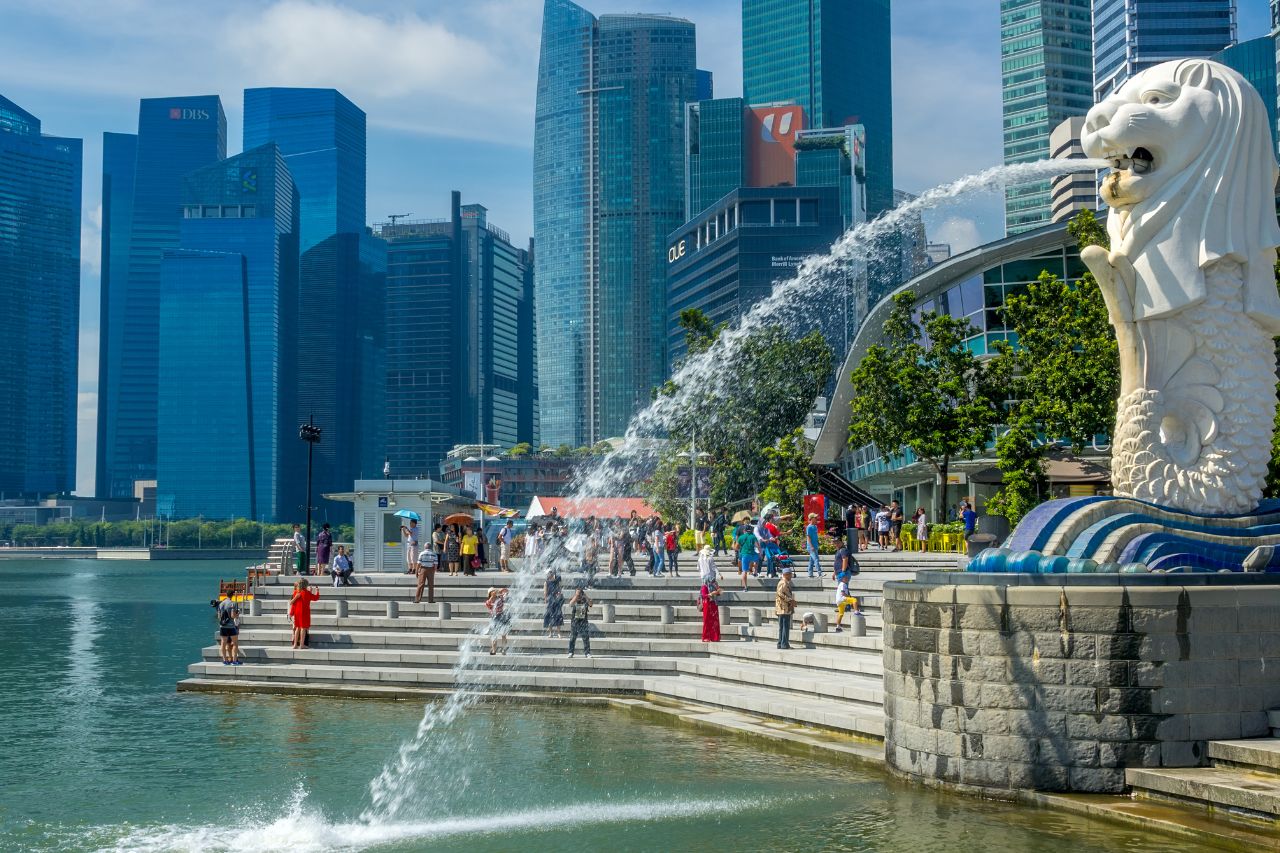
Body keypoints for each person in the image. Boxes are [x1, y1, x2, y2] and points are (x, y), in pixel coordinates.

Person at [288, 578, 320, 649]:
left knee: (297, 628)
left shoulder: (296, 592)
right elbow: (316, 598)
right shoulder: (307, 593)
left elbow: (293, 604)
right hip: (304, 612)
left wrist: (291, 613)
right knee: (303, 628)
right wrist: (317, 591)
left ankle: (295, 644)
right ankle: (302, 645)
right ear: (306, 585)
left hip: (297, 612)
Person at [485, 587, 511, 655]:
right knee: (494, 635)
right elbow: (490, 606)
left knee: (503, 634)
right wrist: (492, 597)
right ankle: (494, 650)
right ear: (490, 593)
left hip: (502, 616)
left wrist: (500, 590)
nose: (494, 592)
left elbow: (507, 591)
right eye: (492, 591)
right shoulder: (488, 602)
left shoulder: (500, 598)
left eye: (494, 591)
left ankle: (504, 649)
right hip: (494, 618)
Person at [774, 567, 796, 650]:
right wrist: (789, 600)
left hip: (782, 607)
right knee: (785, 627)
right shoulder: (784, 582)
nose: (791, 576)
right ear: (786, 575)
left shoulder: (784, 582)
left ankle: (780, 643)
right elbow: (780, 593)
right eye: (790, 574)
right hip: (784, 607)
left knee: (782, 626)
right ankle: (784, 644)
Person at [567, 586, 592, 658]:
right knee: (572, 638)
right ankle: (571, 652)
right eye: (577, 593)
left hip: (583, 621)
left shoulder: (585, 599)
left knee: (585, 638)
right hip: (575, 621)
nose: (578, 595)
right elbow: (570, 604)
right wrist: (576, 596)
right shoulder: (574, 599)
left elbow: (591, 604)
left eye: (579, 593)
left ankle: (587, 653)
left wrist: (585, 596)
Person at [216, 596, 241, 665]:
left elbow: (219, 617)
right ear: (232, 595)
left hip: (223, 627)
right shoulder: (233, 603)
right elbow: (233, 616)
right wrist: (238, 613)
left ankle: (225, 660)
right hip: (231, 626)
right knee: (235, 643)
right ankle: (234, 660)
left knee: (224, 644)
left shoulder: (220, 604)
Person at [736, 521, 758, 591]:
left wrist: (741, 548)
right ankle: (755, 571)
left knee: (744, 571)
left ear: (744, 530)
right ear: (751, 530)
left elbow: (736, 547)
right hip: (752, 553)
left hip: (744, 554)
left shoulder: (741, 537)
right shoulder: (753, 536)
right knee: (757, 560)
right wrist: (760, 553)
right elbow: (757, 546)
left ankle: (745, 587)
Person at [543, 569, 564, 638]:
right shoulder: (546, 582)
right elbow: (545, 592)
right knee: (549, 616)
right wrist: (545, 599)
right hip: (550, 600)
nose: (549, 575)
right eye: (548, 574)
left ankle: (559, 633)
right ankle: (550, 633)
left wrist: (560, 594)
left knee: (558, 615)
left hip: (556, 599)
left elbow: (560, 587)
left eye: (550, 573)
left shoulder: (556, 580)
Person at [699, 577, 721, 642]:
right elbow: (703, 596)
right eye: (712, 581)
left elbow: (720, 593)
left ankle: (715, 637)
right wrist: (711, 594)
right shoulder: (704, 586)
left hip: (714, 605)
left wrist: (718, 589)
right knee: (707, 621)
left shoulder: (714, 586)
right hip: (707, 606)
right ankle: (706, 637)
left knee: (715, 621)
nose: (713, 582)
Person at [805, 513, 821, 578]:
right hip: (811, 547)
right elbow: (808, 537)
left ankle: (810, 573)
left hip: (815, 546)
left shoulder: (815, 526)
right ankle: (820, 573)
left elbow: (815, 536)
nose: (816, 518)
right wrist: (811, 546)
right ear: (811, 519)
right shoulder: (809, 527)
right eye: (815, 517)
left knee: (811, 561)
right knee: (816, 559)